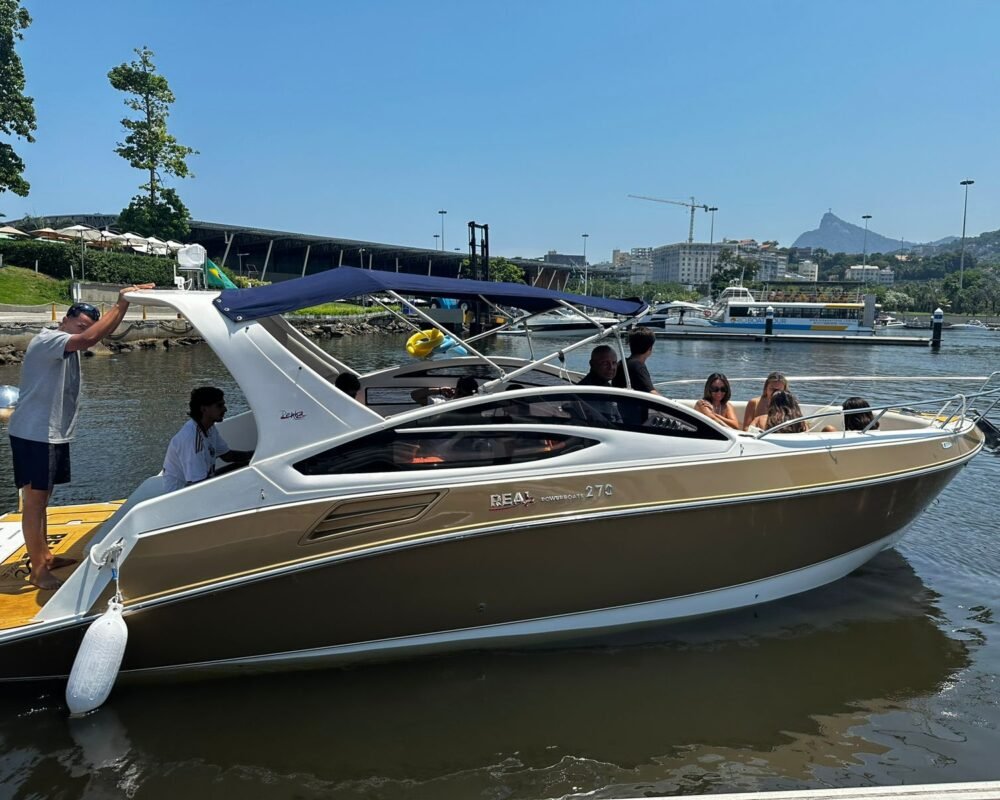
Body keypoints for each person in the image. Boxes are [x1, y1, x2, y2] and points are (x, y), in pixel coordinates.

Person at [8, 287, 153, 590]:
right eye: (80, 325)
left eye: (89, 326)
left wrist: (117, 313)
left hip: (51, 434)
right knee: (34, 502)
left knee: (43, 499)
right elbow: (90, 339)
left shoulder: (67, 344)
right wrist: (122, 302)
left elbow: (96, 336)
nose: (85, 332)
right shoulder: (50, 340)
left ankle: (45, 555)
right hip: (35, 434)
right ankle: (37, 569)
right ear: (65, 320)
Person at [162, 387, 254, 493]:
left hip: (203, 482)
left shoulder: (209, 428)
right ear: (204, 409)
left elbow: (228, 456)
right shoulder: (192, 439)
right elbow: (197, 487)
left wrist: (257, 454)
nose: (225, 409)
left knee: (246, 466)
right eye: (220, 406)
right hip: (181, 495)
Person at [612, 328, 660, 395]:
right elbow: (652, 393)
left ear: (630, 345)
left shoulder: (622, 363)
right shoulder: (637, 367)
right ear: (650, 348)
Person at [411, 376, 478, 405]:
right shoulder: (442, 404)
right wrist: (440, 390)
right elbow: (415, 395)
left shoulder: (443, 404)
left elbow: (414, 395)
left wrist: (439, 391)